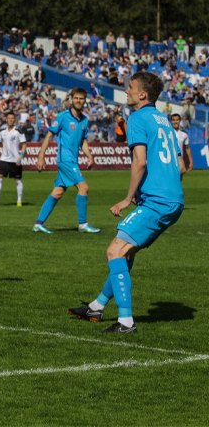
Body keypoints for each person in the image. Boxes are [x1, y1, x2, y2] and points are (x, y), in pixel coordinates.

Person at [68, 72, 184, 333]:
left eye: (130, 87)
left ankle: (126, 322)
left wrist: (128, 197)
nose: (126, 91)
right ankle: (96, 307)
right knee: (127, 252)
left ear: (143, 94)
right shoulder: (164, 120)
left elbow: (140, 161)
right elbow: (181, 166)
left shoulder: (138, 117)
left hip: (157, 201)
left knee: (114, 251)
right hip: (173, 200)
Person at [33, 88, 99, 234]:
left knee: (57, 192)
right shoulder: (62, 117)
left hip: (72, 161)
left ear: (85, 100)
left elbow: (83, 141)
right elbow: (49, 136)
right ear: (71, 99)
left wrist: (89, 156)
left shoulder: (84, 120)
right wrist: (41, 156)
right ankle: (83, 224)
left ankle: (38, 225)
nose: (78, 101)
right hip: (65, 160)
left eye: (81, 98)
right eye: (76, 98)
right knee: (84, 187)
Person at [0, 111, 27, 207]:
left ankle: (19, 200)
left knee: (17, 179)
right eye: (9, 118)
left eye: (12, 118)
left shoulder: (18, 131)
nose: (10, 120)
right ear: (6, 119)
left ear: (14, 120)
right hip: (4, 159)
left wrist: (21, 156)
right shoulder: (2, 132)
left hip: (15, 160)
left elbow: (24, 144)